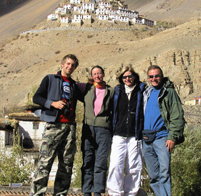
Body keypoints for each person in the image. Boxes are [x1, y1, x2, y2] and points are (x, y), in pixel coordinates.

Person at [31, 54, 83, 196]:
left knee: (66, 166)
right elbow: (36, 97)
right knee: (44, 163)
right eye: (68, 63)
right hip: (54, 126)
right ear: (62, 64)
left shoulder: (73, 84)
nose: (69, 67)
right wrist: (52, 103)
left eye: (72, 65)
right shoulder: (50, 78)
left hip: (70, 128)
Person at [142, 65, 185, 196]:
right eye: (151, 76)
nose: (154, 78)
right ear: (148, 78)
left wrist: (172, 136)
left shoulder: (168, 92)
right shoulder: (146, 92)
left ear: (161, 76)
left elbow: (177, 115)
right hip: (146, 139)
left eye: (156, 76)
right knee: (153, 175)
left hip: (162, 138)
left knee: (164, 172)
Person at [107, 65, 146, 196]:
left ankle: (131, 192)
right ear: (121, 78)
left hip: (135, 134)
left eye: (130, 76)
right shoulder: (117, 91)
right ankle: (115, 192)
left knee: (134, 166)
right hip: (119, 133)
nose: (127, 79)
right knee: (115, 164)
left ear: (134, 77)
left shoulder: (142, 90)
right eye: (125, 77)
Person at [77, 66, 114, 196]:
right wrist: (58, 74)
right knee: (87, 160)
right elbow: (71, 83)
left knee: (101, 162)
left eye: (99, 73)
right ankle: (86, 191)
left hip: (104, 130)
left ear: (103, 74)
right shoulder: (87, 88)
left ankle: (97, 192)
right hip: (88, 129)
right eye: (94, 74)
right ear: (92, 76)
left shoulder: (111, 91)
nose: (97, 76)